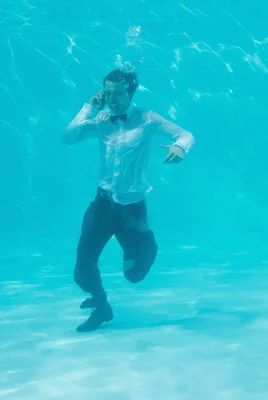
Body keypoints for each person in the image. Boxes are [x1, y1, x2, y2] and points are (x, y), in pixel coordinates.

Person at [62, 67, 195, 332]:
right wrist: (89, 106)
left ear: (130, 93)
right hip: (102, 205)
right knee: (81, 270)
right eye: (108, 93)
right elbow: (68, 137)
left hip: (132, 209)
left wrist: (180, 147)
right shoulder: (100, 120)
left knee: (134, 276)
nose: (112, 99)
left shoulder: (147, 118)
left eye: (118, 94)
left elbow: (185, 134)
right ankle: (102, 307)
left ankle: (148, 244)